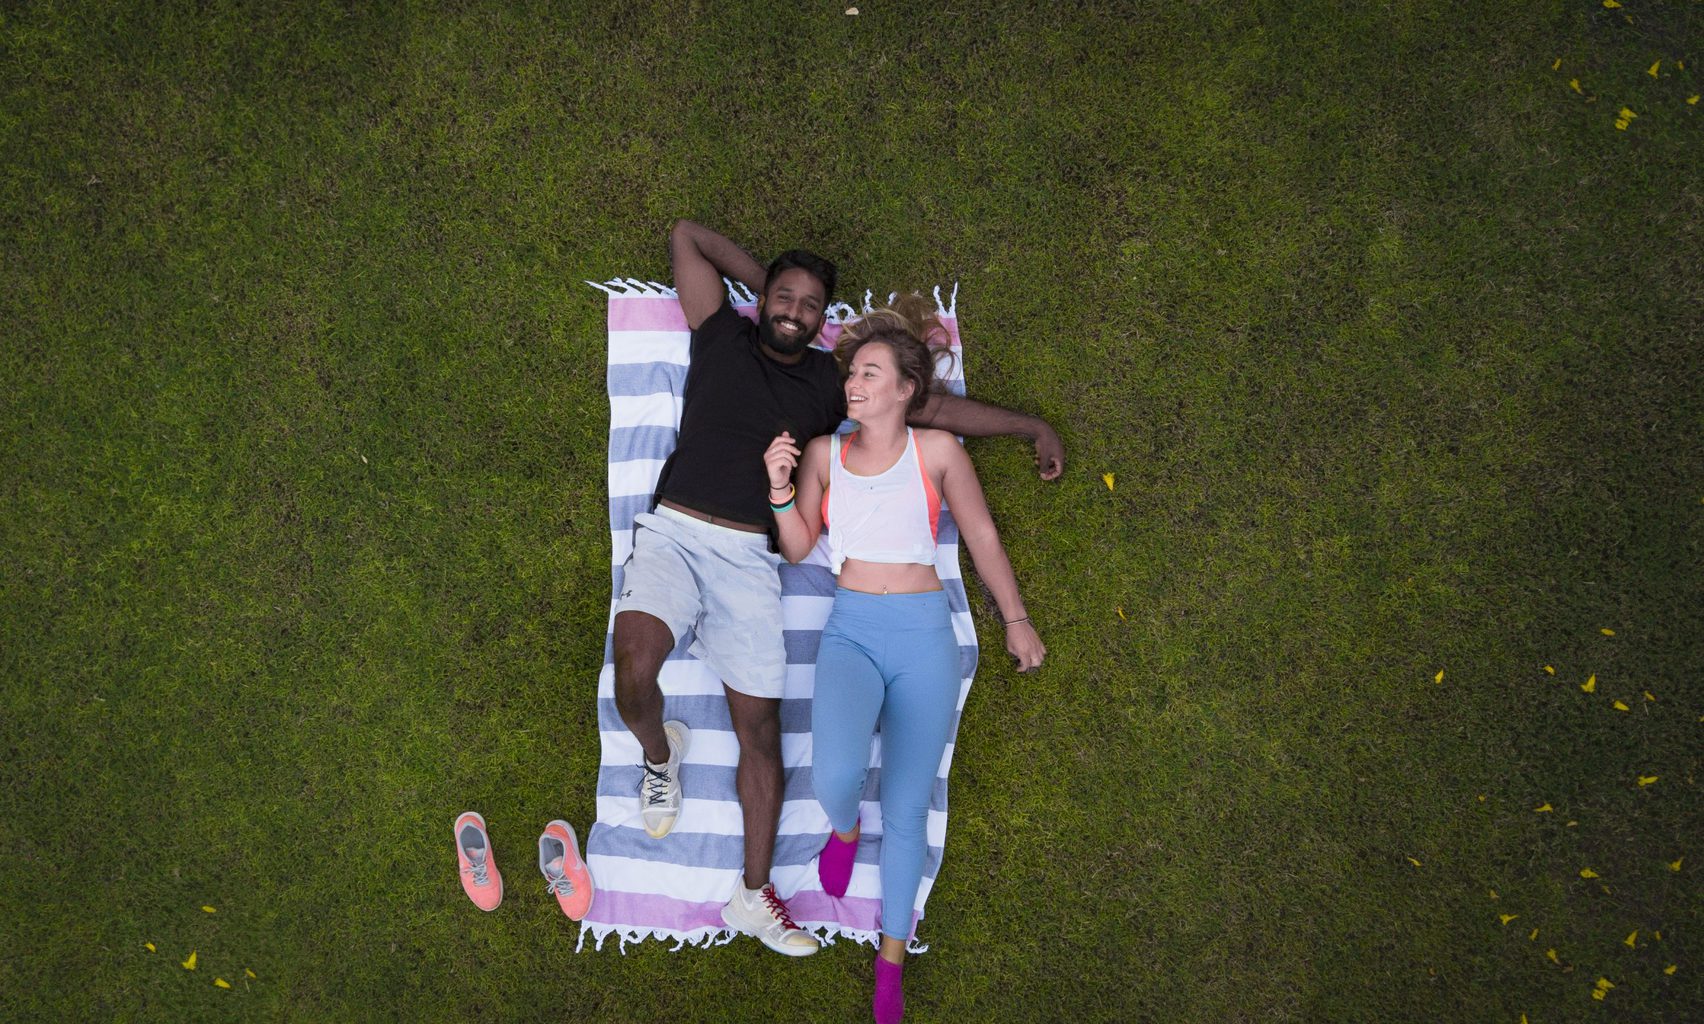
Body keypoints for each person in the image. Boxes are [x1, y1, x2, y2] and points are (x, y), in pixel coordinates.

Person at [610, 220, 1062, 957]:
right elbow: (686, 236)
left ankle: (753, 897)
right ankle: (661, 754)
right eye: (783, 297)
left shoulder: (832, 386)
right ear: (759, 298)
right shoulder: (721, 332)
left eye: (812, 305)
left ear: (827, 323)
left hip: (752, 561)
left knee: (762, 733)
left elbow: (936, 413)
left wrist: (1027, 426)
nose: (794, 310)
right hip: (672, 534)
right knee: (634, 670)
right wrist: (773, 290)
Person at [762, 295, 1045, 1022]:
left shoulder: (939, 453)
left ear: (906, 388)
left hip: (923, 634)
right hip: (851, 627)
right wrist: (781, 488)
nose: (853, 384)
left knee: (908, 805)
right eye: (852, 373)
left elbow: (980, 538)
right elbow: (798, 548)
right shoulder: (828, 453)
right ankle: (844, 829)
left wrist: (1016, 621)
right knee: (835, 776)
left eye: (869, 373)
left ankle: (890, 960)